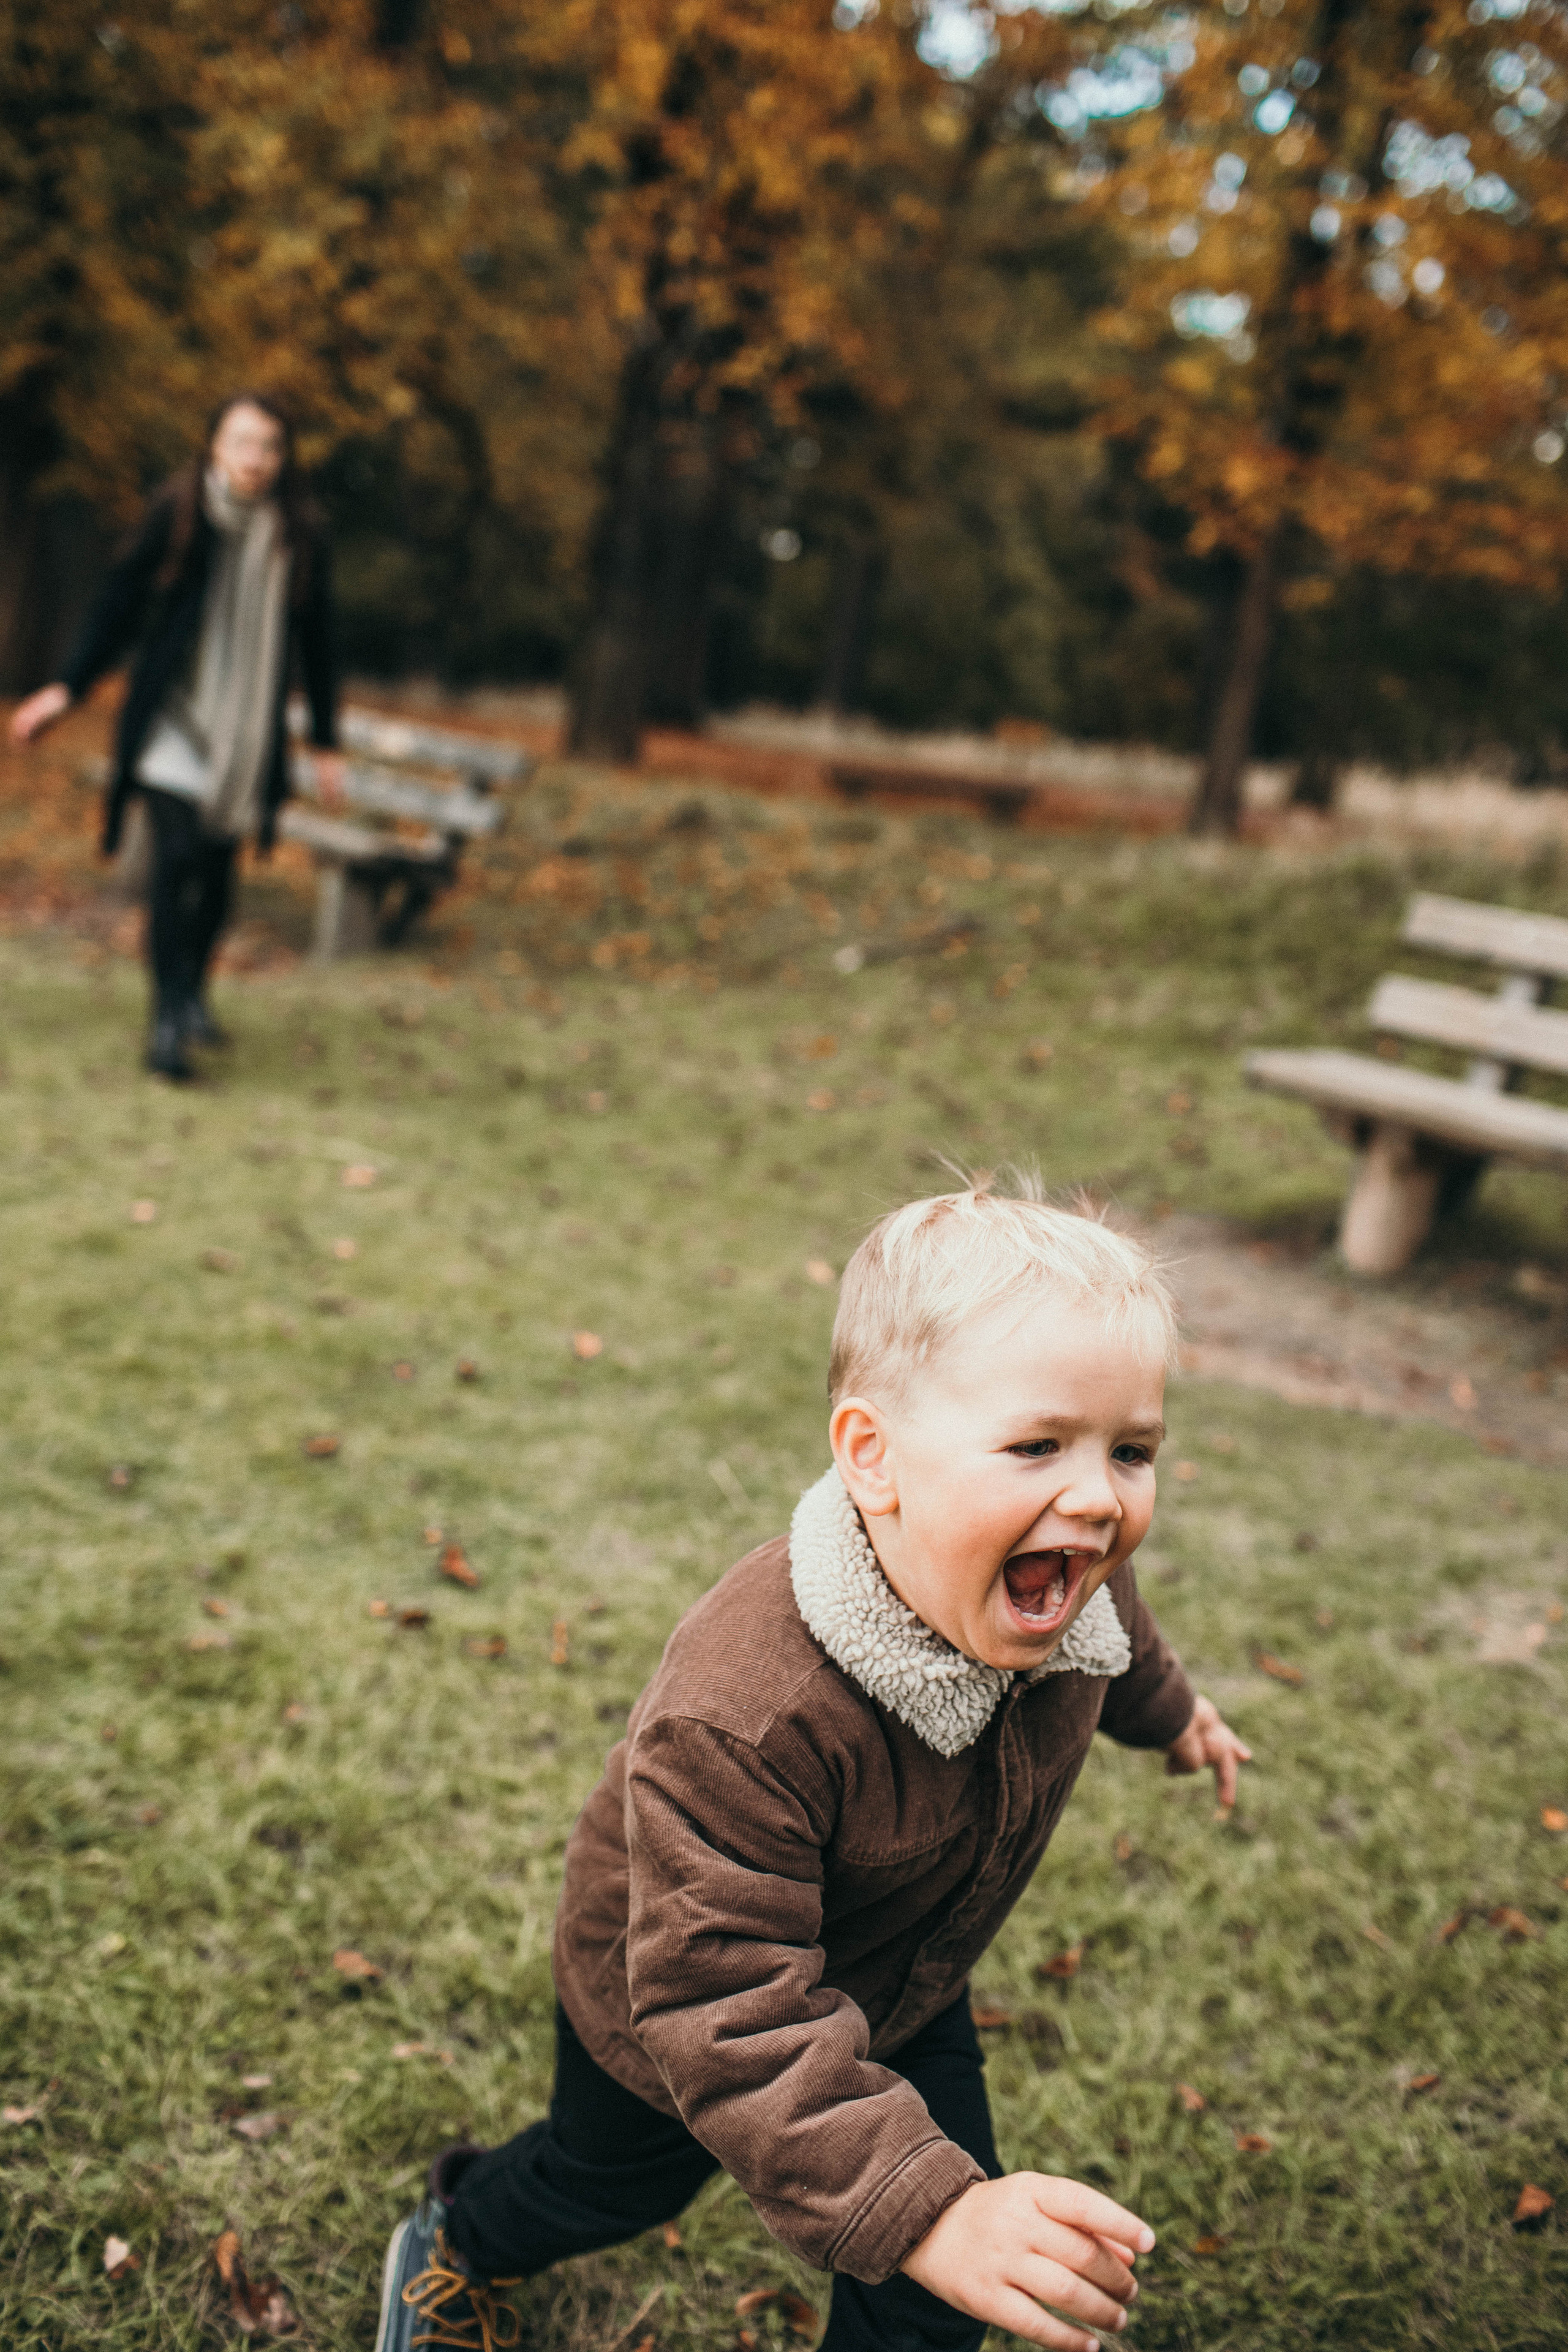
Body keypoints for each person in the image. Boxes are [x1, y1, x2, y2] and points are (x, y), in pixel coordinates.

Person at [374, 1183, 1253, 2352]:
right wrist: (926, 2207)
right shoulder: (744, 1716)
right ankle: (460, 2235)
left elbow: (1118, 1637)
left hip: (902, 1976)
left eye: (1130, 1450)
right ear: (873, 1458)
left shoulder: (1063, 1572)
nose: (1097, 1498)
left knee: (939, 2282)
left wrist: (1175, 1714)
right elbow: (719, 1995)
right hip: (677, 2005)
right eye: (1038, 1444)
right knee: (611, 2186)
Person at [7, 393, 344, 1080]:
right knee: (177, 855)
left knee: (217, 871)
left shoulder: (299, 537)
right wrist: (65, 689)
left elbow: (319, 644)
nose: (255, 459)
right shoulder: (182, 514)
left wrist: (326, 741)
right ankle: (165, 1022)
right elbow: (118, 604)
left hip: (246, 729)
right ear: (213, 448)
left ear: (284, 458)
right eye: (241, 442)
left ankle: (192, 988)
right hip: (174, 720)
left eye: (269, 446)